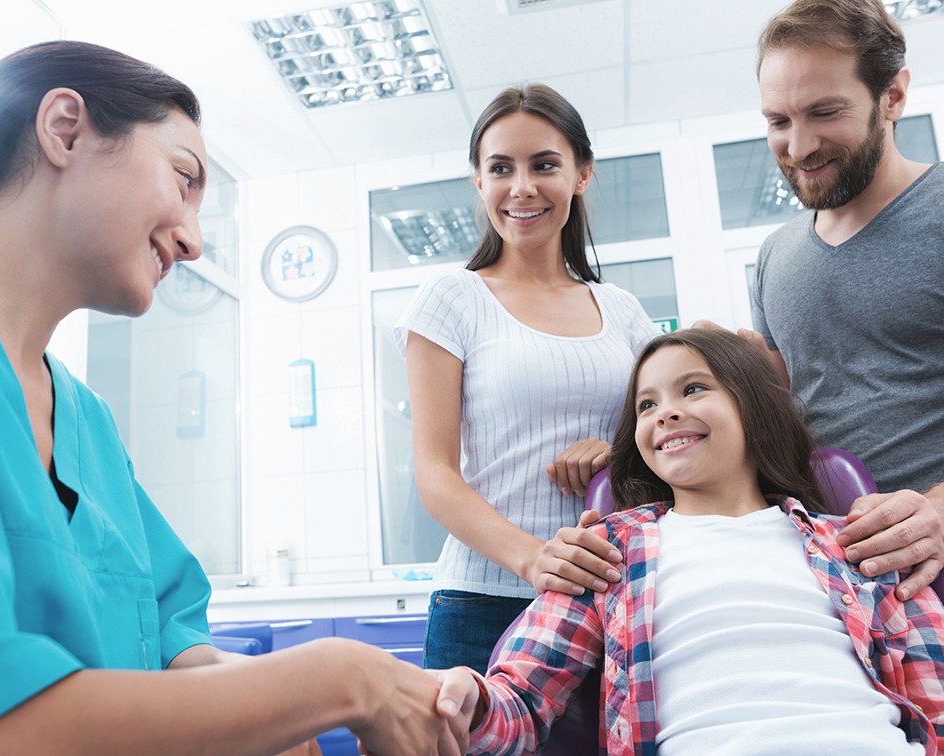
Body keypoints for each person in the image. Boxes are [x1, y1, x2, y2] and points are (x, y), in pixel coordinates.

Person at [0, 40, 469, 755]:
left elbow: (174, 650)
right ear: (65, 129)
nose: (195, 243)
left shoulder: (86, 422)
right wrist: (339, 678)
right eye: (183, 178)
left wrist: (301, 711)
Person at [435, 329, 944, 753]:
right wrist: (465, 704)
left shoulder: (858, 540)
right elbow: (519, 701)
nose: (664, 412)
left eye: (694, 389)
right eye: (647, 404)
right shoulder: (608, 550)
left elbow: (934, 694)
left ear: (756, 409)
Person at [394, 84, 654, 672]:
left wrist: (617, 453)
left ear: (582, 175)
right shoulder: (451, 298)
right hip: (483, 603)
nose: (522, 187)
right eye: (501, 168)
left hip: (610, 594)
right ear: (479, 183)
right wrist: (535, 559)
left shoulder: (623, 311)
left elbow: (664, 443)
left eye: (544, 165)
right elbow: (434, 473)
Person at [747, 0, 944, 599]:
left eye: (824, 113)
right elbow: (781, 422)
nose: (799, 145)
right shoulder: (773, 257)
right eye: (778, 120)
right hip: (841, 586)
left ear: (893, 96)